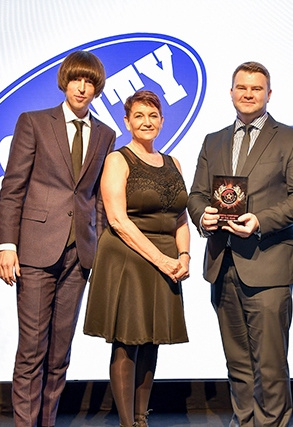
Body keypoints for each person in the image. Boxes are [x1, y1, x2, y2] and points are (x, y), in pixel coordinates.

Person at [188, 61, 293, 427]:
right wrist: (203, 216)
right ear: (231, 92)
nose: (248, 94)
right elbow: (197, 194)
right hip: (222, 262)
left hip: (269, 263)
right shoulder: (213, 140)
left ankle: (272, 424)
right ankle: (245, 421)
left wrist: (260, 220)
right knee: (238, 361)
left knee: (271, 363)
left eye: (256, 89)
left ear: (269, 94)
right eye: (241, 88)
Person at [0, 51, 116, 427]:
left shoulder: (105, 134)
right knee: (32, 349)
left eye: (90, 81)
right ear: (65, 81)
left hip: (79, 255)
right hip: (34, 250)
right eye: (77, 79)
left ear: (97, 88)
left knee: (60, 351)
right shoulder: (33, 122)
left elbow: (96, 197)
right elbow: (13, 188)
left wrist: (96, 249)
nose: (83, 87)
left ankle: (46, 422)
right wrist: (6, 246)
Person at [83, 90, 190, 427]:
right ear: (127, 122)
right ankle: (127, 423)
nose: (147, 122)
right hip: (128, 258)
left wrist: (184, 255)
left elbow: (181, 218)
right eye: (139, 116)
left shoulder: (174, 162)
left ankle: (142, 419)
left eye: (153, 115)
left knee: (152, 339)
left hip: (166, 259)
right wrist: (161, 259)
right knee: (127, 342)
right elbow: (117, 220)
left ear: (161, 120)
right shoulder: (118, 159)